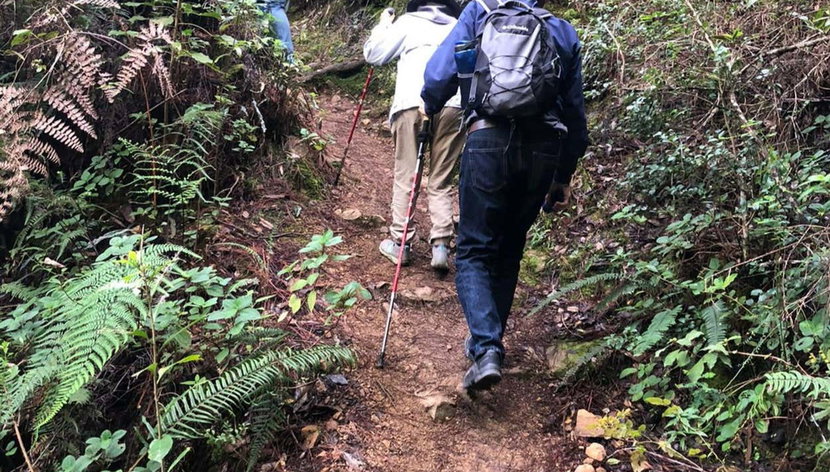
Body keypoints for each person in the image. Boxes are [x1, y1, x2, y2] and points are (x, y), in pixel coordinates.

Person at [421, 0, 589, 391]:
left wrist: (431, 105)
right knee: (510, 248)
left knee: (476, 249)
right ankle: (490, 343)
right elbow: (575, 116)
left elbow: (437, 76)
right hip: (544, 148)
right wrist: (562, 176)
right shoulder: (560, 30)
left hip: (488, 138)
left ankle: (486, 347)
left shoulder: (478, 12)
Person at [363, 0, 466, 272]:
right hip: (455, 106)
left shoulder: (408, 23)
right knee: (441, 178)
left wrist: (384, 24)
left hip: (410, 103)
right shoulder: (460, 27)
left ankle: (401, 243)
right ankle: (441, 244)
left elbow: (374, 54)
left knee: (407, 174)